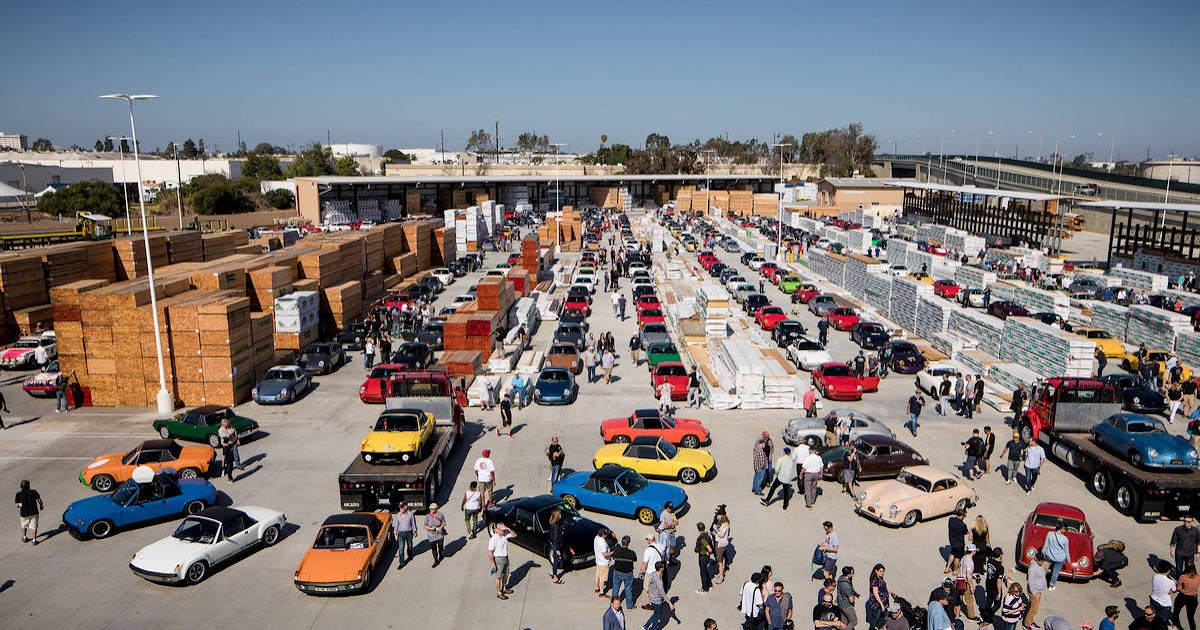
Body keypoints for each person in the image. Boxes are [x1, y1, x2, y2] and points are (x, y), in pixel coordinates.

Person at [488, 523, 515, 599]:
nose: (503, 530)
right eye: (501, 529)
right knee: (498, 577)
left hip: (506, 558)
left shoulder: (505, 535)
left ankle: (504, 588)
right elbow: (490, 552)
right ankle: (499, 592)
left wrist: (508, 528)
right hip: (498, 559)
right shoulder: (493, 539)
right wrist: (493, 563)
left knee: (506, 574)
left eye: (504, 529)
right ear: (497, 530)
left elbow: (514, 535)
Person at [1041, 521, 1070, 589]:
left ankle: (1040, 582)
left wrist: (1042, 553)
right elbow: (1066, 551)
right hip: (1060, 559)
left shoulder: (1050, 534)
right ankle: (1051, 586)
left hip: (1049, 557)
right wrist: (1068, 560)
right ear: (1061, 528)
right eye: (1065, 529)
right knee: (1056, 572)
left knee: (1044, 569)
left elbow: (1045, 546)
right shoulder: (1065, 539)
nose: (1066, 531)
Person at [644, 561, 673, 630]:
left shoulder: (652, 574)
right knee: (657, 616)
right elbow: (663, 594)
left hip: (651, 598)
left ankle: (646, 626)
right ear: (661, 568)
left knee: (656, 614)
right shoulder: (659, 582)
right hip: (657, 600)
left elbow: (649, 586)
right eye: (663, 566)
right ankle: (652, 628)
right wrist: (670, 603)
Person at [612, 535, 638, 608]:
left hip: (617, 572)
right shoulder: (632, 553)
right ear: (628, 543)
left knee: (616, 588)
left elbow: (613, 557)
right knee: (628, 589)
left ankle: (613, 604)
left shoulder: (616, 552)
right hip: (628, 573)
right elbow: (635, 560)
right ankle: (629, 606)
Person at [15, 479, 43, 545]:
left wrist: (20, 504)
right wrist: (41, 506)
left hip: (24, 513)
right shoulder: (33, 492)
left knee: (24, 525)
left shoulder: (18, 494)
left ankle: (24, 537)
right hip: (34, 512)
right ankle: (34, 540)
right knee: (34, 527)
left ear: (21, 486)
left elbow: (17, 505)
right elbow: (39, 499)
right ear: (29, 486)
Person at [1025, 551, 1047, 627]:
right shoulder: (1033, 567)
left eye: (1042, 560)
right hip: (1035, 591)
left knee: (1033, 607)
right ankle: (1027, 624)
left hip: (1039, 590)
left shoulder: (1041, 565)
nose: (1041, 562)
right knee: (1034, 609)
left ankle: (1031, 621)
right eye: (1040, 560)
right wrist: (1034, 593)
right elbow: (1030, 581)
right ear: (1036, 558)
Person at [1175, 561, 1199, 630]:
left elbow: (1178, 588)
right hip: (1193, 598)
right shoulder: (1198, 577)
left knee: (1176, 611)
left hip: (1183, 596)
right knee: (1191, 617)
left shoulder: (1183, 577)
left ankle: (1174, 625)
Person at [864, 564, 889, 630]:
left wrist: (888, 592)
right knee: (874, 621)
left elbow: (881, 590)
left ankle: (877, 628)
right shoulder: (875, 580)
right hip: (877, 605)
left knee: (884, 616)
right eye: (880, 571)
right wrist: (881, 605)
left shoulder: (880, 579)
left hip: (882, 604)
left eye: (883, 571)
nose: (882, 573)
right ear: (876, 571)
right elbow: (875, 593)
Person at [392, 502, 416, 568]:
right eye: (400, 508)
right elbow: (396, 525)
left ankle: (410, 554)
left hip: (409, 532)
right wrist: (395, 533)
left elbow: (413, 523)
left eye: (402, 507)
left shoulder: (410, 514)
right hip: (401, 533)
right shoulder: (398, 515)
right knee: (401, 548)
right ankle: (401, 562)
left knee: (410, 546)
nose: (400, 509)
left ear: (405, 507)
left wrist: (414, 531)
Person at [424, 503, 447, 567]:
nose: (431, 510)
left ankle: (441, 554)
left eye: (432, 509)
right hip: (431, 534)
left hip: (439, 533)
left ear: (436, 509)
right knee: (433, 548)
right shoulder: (427, 516)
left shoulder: (440, 515)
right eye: (430, 509)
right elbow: (425, 526)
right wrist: (431, 528)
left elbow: (444, 523)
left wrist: (440, 527)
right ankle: (436, 560)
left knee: (440, 546)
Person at [945, 509, 968, 574]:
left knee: (952, 553)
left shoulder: (951, 519)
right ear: (962, 516)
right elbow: (965, 532)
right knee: (957, 557)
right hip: (959, 544)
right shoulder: (963, 525)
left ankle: (947, 568)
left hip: (952, 541)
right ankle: (955, 570)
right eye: (964, 516)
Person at [595, 527, 614, 597]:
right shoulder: (603, 543)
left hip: (598, 560)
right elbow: (605, 554)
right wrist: (613, 552)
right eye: (606, 535)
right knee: (602, 579)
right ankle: (602, 593)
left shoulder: (596, 538)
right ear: (603, 535)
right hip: (604, 562)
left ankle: (596, 588)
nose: (606, 536)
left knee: (597, 575)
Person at [713, 511, 731, 584]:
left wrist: (716, 529)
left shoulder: (725, 524)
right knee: (722, 558)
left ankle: (721, 577)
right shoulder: (722, 522)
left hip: (720, 544)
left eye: (718, 515)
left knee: (719, 561)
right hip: (720, 543)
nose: (717, 517)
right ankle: (722, 572)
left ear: (722, 516)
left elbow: (721, 535)